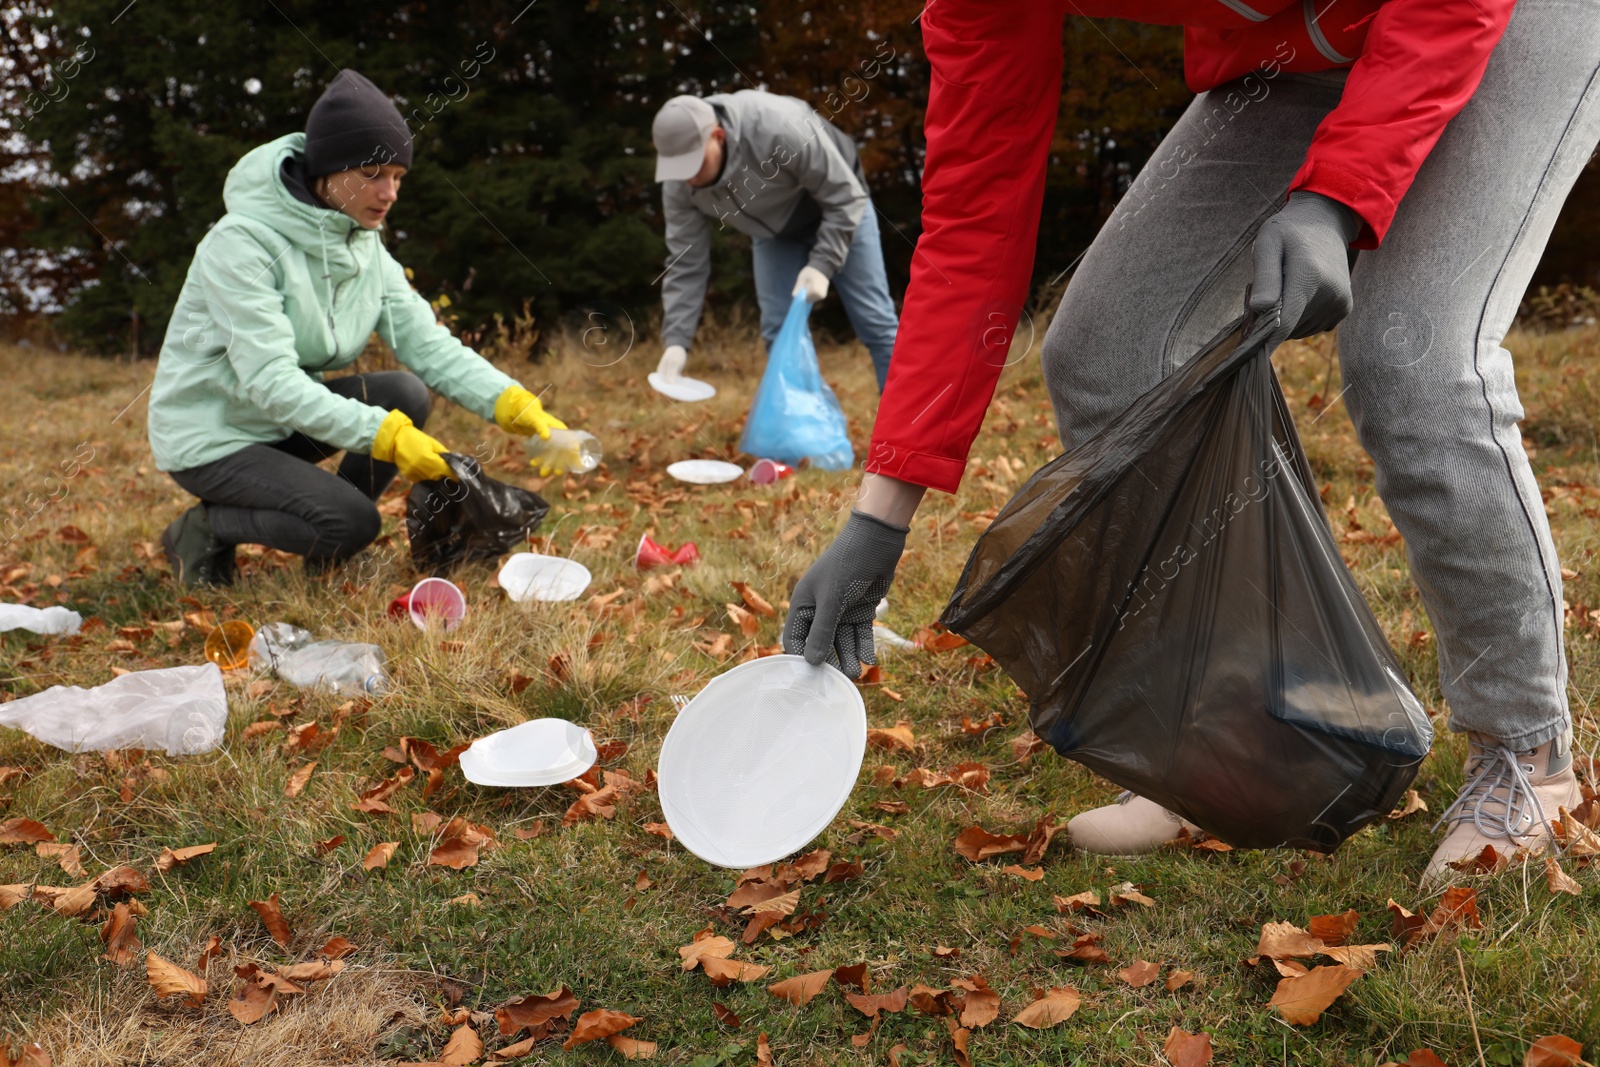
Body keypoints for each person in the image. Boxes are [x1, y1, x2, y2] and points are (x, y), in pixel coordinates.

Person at [783, 0, 1599, 883]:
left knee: (1411, 353)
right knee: (1111, 347)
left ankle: (1528, 757)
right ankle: (1223, 743)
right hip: (1300, 48)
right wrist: (881, 514)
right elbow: (973, 225)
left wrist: (1337, 194)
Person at [148, 70, 566, 586]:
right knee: (353, 520)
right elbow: (270, 381)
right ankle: (203, 528)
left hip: (276, 422)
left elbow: (426, 343)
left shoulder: (362, 243)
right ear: (327, 170)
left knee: (403, 392)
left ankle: (325, 541)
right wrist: (385, 437)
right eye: (372, 173)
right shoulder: (242, 245)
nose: (389, 193)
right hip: (213, 436)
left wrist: (514, 403)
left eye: (397, 176)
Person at [651, 91, 899, 392]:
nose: (687, 177)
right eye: (678, 168)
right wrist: (676, 342)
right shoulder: (679, 185)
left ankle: (906, 432)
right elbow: (685, 263)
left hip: (841, 207)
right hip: (776, 234)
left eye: (694, 162)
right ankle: (804, 432)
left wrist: (822, 264)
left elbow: (844, 197)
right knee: (779, 333)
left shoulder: (779, 127)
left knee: (875, 321)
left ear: (718, 136)